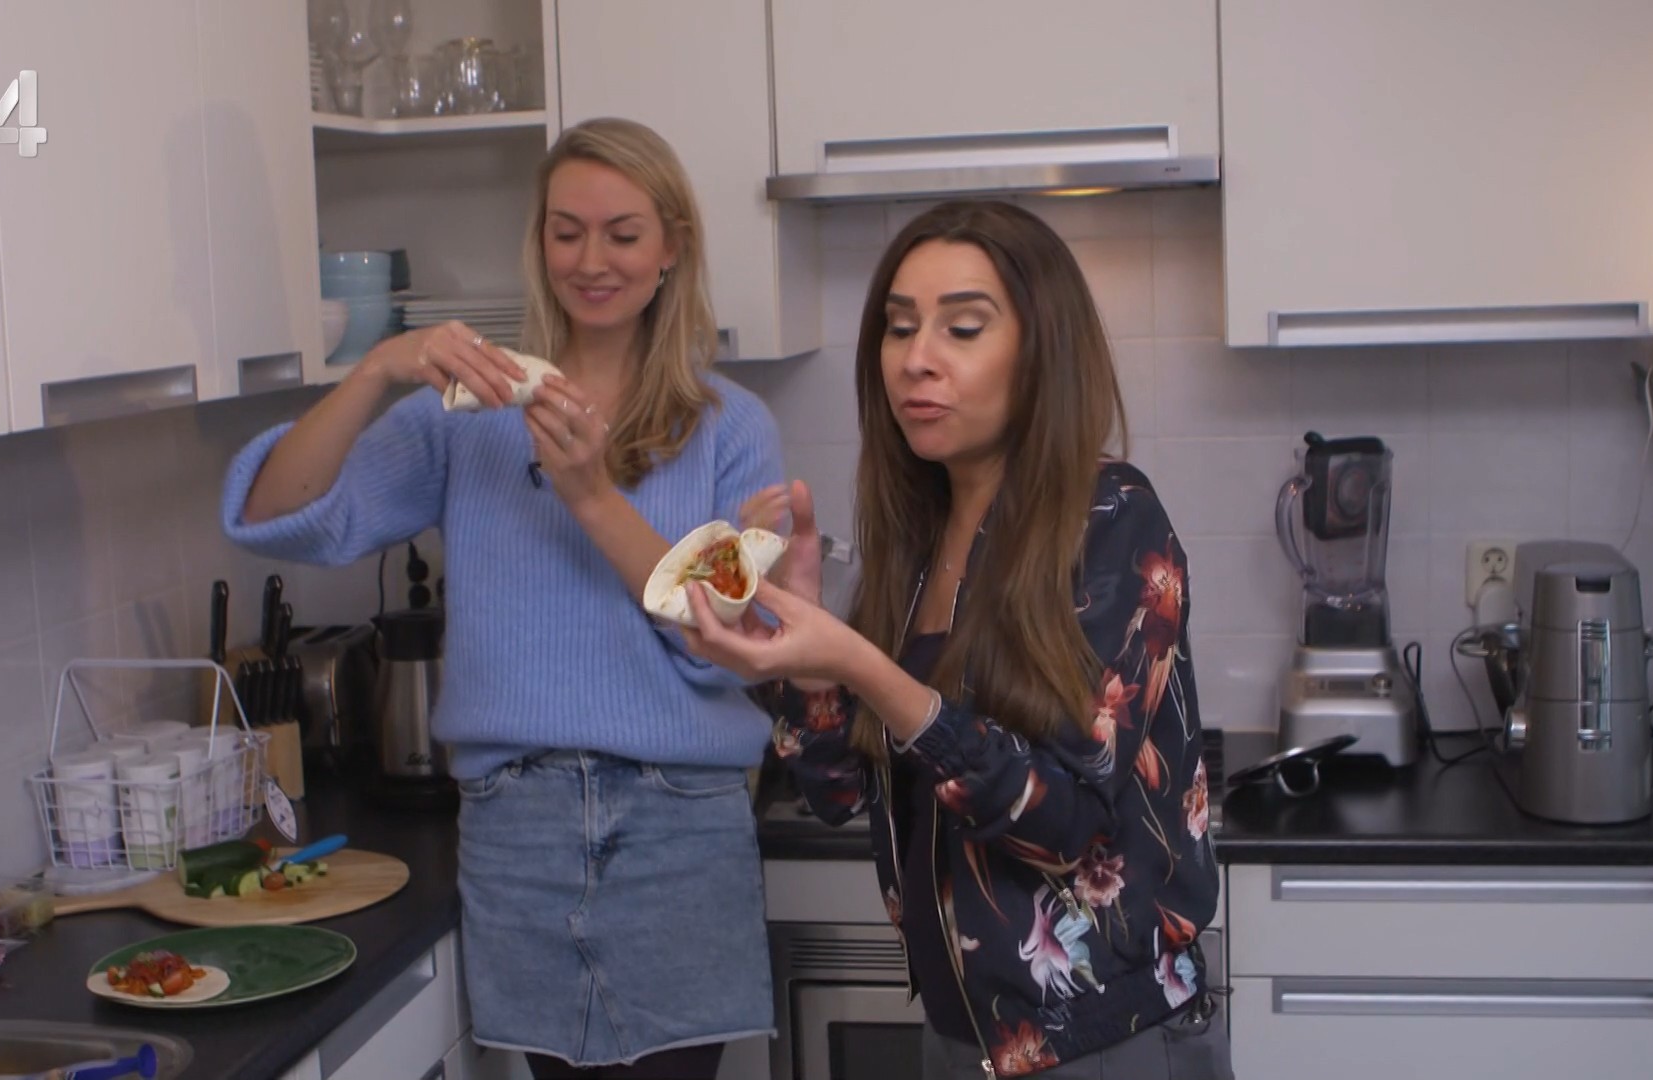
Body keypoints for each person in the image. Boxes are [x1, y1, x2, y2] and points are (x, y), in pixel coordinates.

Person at [220, 117, 782, 1080]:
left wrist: (591, 495)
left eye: (622, 234)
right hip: (517, 826)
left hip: (681, 823)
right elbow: (279, 516)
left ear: (671, 248)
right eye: (567, 232)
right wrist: (378, 369)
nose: (591, 261)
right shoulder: (464, 421)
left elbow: (718, 635)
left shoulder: (731, 428)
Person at [686, 200, 1232, 1079]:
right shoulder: (917, 539)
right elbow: (838, 791)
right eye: (899, 328)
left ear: (1042, 350)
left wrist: (862, 665)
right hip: (962, 1038)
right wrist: (802, 662)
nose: (916, 358)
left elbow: (1063, 827)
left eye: (963, 328)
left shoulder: (1112, 516)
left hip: (1105, 1041)